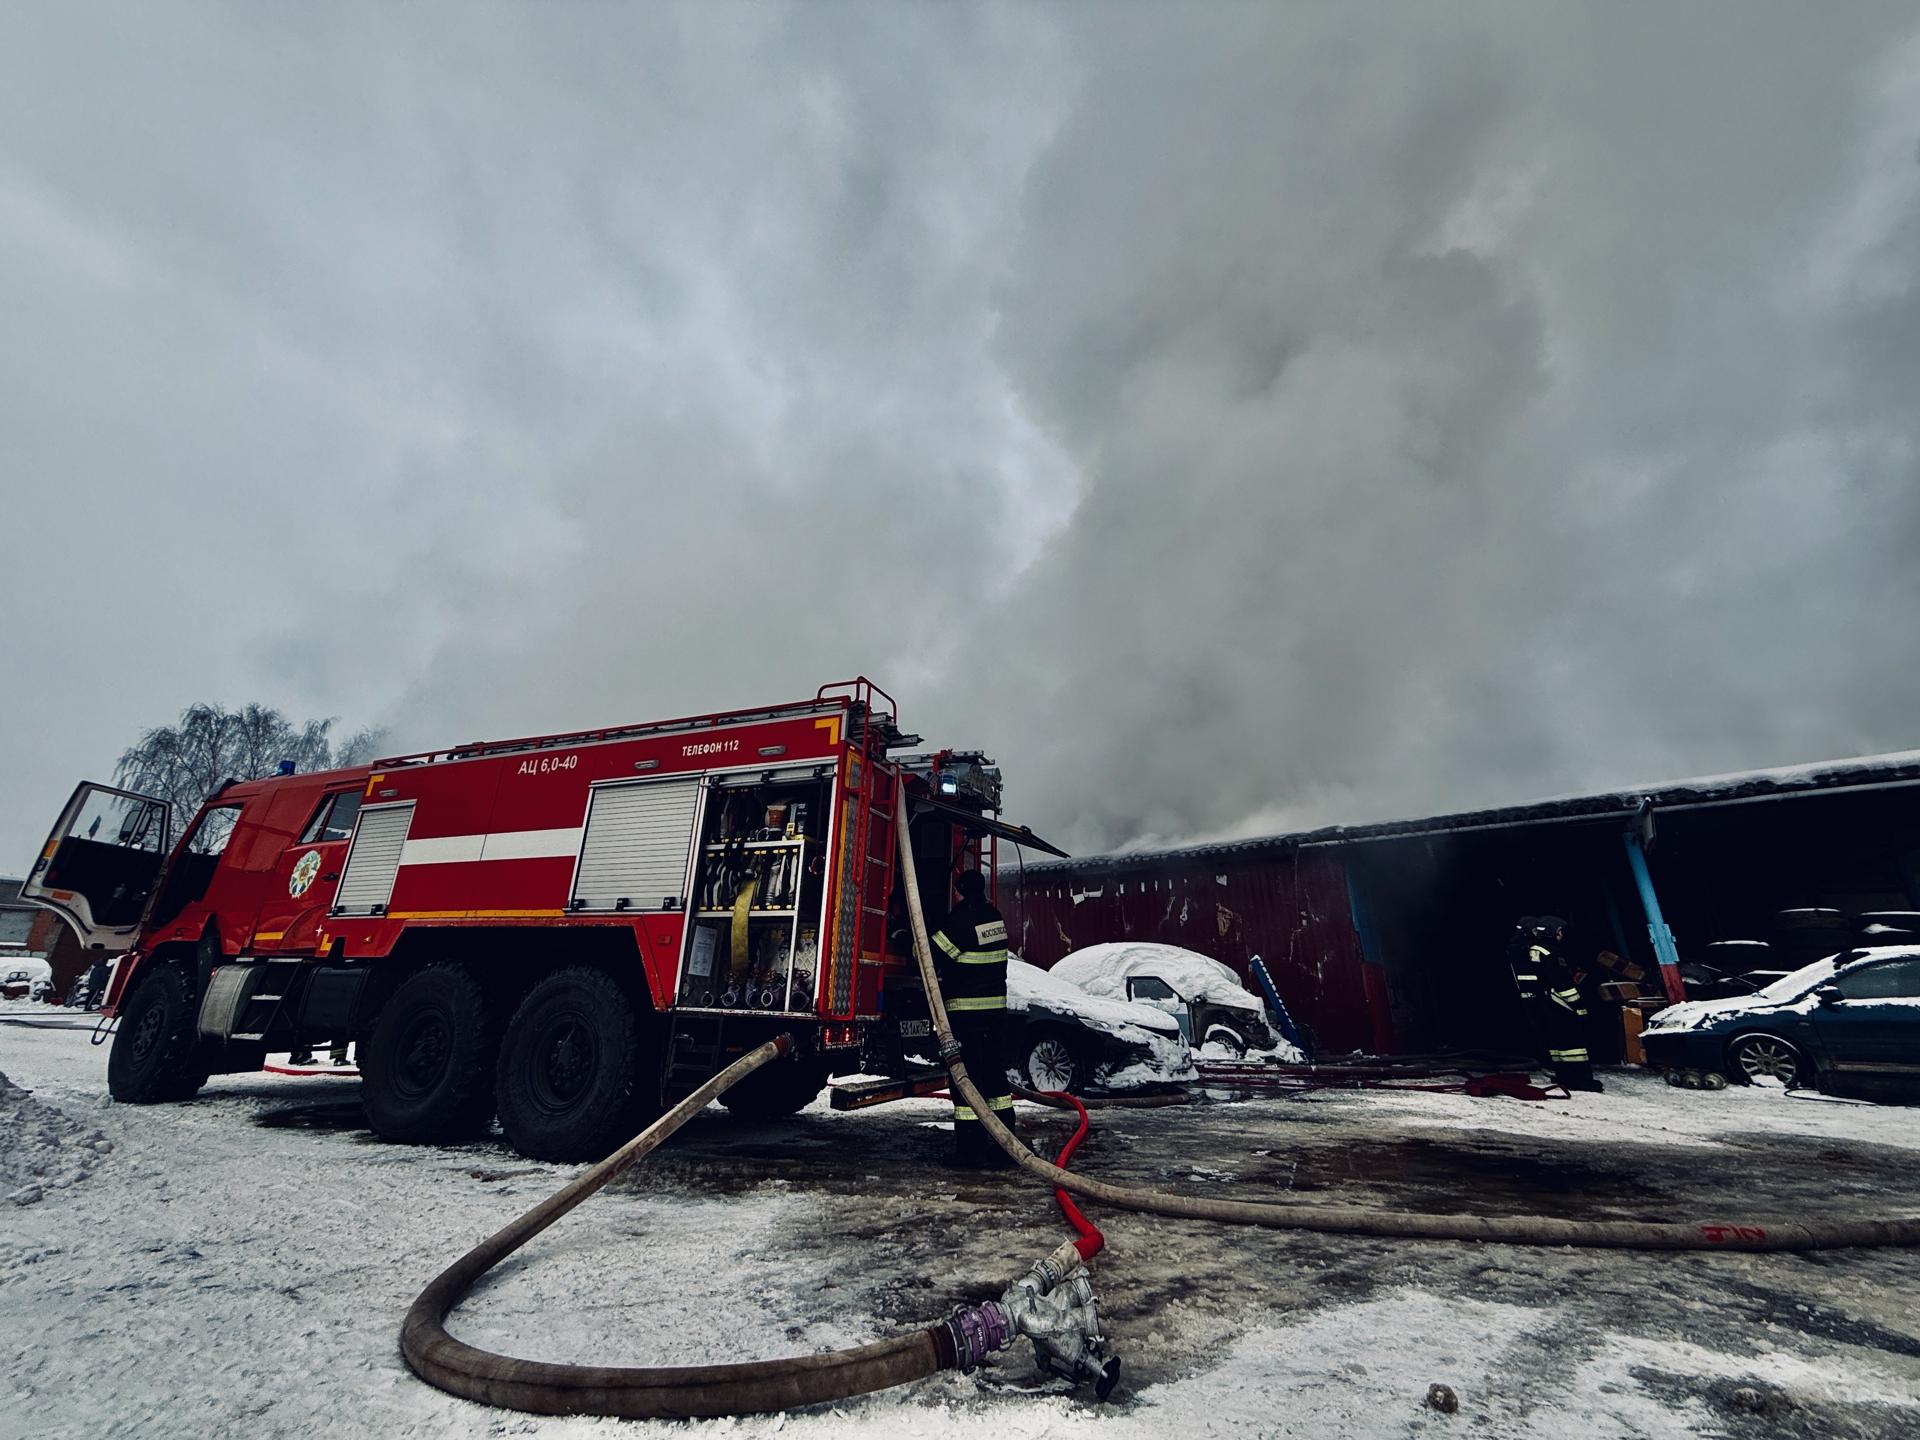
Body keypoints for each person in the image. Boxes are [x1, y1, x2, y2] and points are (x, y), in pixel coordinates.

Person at [932, 867, 1020, 1167]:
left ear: (960, 891)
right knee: (996, 1081)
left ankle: (970, 1153)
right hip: (995, 1014)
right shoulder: (994, 916)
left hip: (966, 1014)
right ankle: (1003, 1147)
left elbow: (932, 955)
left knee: (966, 1081)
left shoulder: (961, 919)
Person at [1506, 915, 1604, 1093]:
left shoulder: (1528, 950)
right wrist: (1579, 1006)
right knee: (1573, 1045)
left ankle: (1564, 1075)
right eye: (1559, 932)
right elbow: (1563, 983)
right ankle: (1581, 1080)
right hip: (1559, 1003)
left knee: (1557, 1044)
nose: (1561, 935)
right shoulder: (1549, 952)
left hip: (1543, 1001)